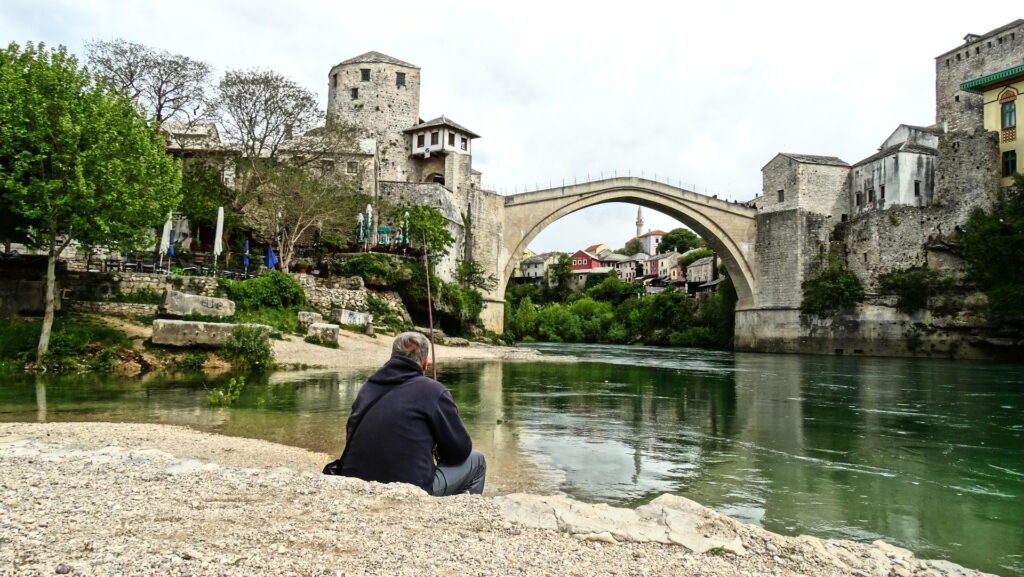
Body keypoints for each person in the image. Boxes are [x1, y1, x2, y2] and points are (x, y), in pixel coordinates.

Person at [338, 332, 486, 496]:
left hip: (354, 483)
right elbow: (460, 451)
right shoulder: (433, 391)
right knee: (477, 461)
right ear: (425, 363)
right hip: (408, 491)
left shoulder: (367, 388)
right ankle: (461, 512)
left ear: (392, 356)